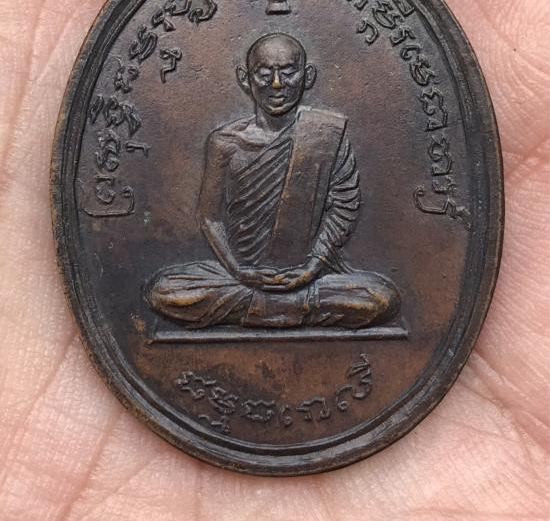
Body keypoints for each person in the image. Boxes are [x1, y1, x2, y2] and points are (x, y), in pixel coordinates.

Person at [148, 32, 400, 328]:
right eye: (264, 73)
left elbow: (344, 206)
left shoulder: (325, 135)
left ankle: (264, 308)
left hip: (308, 275)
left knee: (381, 298)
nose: (277, 84)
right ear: (245, 79)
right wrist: (238, 270)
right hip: (240, 276)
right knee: (165, 291)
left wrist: (311, 268)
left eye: (288, 72)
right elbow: (210, 217)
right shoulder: (225, 143)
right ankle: (291, 309)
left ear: (308, 76)